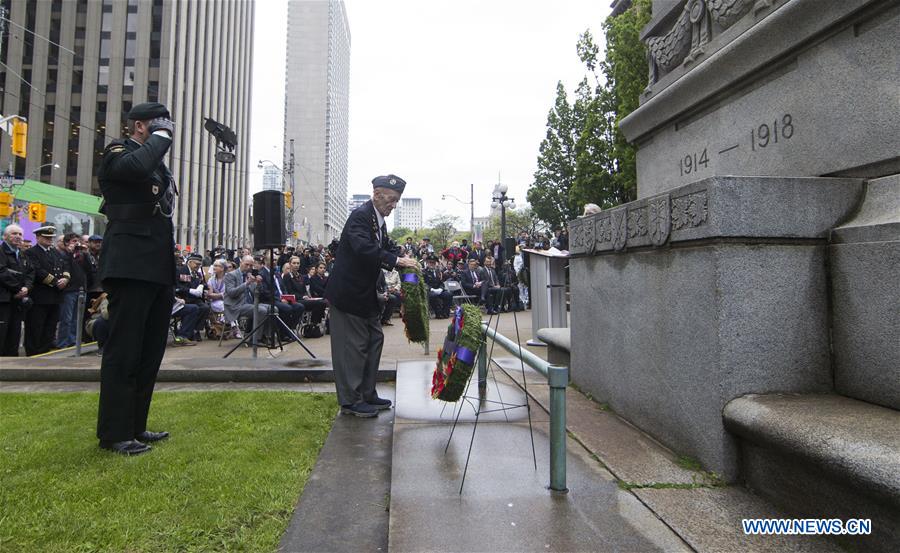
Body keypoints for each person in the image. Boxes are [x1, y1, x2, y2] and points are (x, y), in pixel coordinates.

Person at [95, 102, 178, 456]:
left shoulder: (153, 161)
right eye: (159, 126)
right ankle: (114, 433)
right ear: (140, 126)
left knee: (149, 350)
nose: (166, 134)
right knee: (125, 350)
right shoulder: (119, 152)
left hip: (155, 264)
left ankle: (135, 426)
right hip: (130, 263)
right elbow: (136, 168)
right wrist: (160, 137)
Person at [325, 174, 418, 417]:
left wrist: (402, 255)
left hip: (364, 296)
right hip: (348, 296)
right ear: (376, 194)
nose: (394, 205)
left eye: (396, 201)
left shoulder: (377, 220)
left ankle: (367, 392)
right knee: (352, 347)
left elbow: (383, 246)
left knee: (374, 340)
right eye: (391, 200)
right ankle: (351, 400)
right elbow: (365, 249)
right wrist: (398, 261)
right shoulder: (360, 217)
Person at [23, 226, 69, 356]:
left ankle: (44, 352)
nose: (49, 240)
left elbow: (65, 265)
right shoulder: (31, 252)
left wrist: (65, 278)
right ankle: (33, 354)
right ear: (38, 238)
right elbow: (37, 271)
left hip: (55, 297)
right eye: (46, 237)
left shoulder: (54, 252)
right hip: (40, 296)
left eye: (51, 238)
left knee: (50, 327)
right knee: (35, 327)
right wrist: (56, 282)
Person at [0, 224, 34, 356]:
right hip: (4, 300)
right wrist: (18, 289)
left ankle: (12, 360)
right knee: (2, 333)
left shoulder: (22, 255)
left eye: (20, 234)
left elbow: (30, 273)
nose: (18, 237)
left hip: (18, 301)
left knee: (15, 333)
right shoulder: (1, 252)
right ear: (5, 236)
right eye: (14, 234)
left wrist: (26, 288)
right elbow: (2, 272)